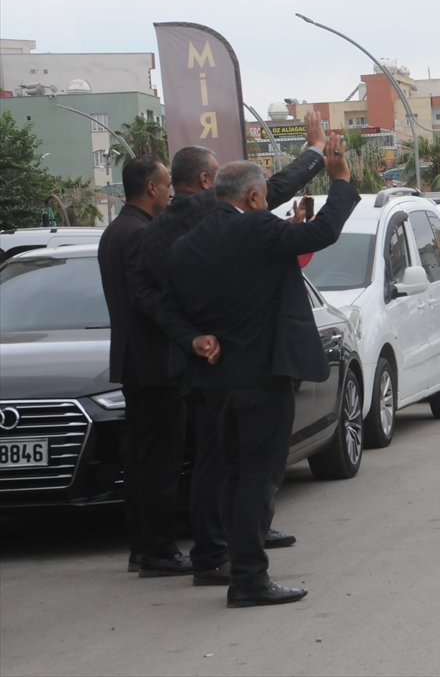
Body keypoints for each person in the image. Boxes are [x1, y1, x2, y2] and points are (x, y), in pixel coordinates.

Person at [129, 111, 329, 586]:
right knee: (243, 467)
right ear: (208, 182)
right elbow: (270, 190)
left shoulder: (155, 233)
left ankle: (222, 549)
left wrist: (192, 337)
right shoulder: (215, 211)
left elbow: (149, 297)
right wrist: (317, 152)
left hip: (197, 362)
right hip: (242, 364)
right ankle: (231, 554)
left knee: (217, 464)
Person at [156, 144, 358, 608]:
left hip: (213, 380)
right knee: (259, 479)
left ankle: (236, 566)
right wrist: (341, 180)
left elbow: (166, 306)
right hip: (262, 377)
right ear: (250, 198)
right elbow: (324, 231)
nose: (265, 205)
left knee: (232, 476)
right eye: (264, 197)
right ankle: (249, 579)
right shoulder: (258, 228)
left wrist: (194, 339)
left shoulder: (187, 244)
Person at [97, 155, 189, 577]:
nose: (171, 190)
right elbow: (143, 297)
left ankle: (143, 546)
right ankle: (157, 549)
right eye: (167, 183)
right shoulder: (138, 233)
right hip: (153, 363)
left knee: (141, 458)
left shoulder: (117, 229)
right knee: (159, 460)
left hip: (136, 360)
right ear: (151, 188)